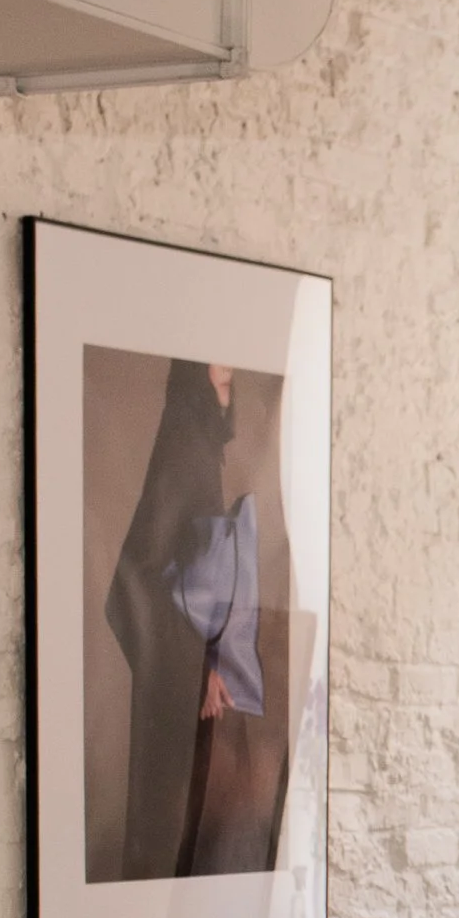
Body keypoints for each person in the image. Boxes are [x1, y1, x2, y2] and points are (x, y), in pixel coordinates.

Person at [103, 358, 268, 879]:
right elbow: (132, 581)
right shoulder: (185, 446)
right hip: (187, 695)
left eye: (232, 370)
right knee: (171, 841)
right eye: (217, 368)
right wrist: (198, 670)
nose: (229, 374)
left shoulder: (201, 448)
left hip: (203, 691)